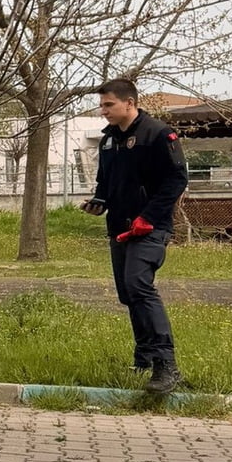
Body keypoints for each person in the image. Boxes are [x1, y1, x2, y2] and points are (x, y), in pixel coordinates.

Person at [81, 78, 189, 393]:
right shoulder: (109, 140)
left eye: (109, 105)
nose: (103, 111)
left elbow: (176, 180)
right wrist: (99, 202)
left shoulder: (157, 134)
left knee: (139, 286)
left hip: (150, 227)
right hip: (119, 227)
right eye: (102, 105)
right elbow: (107, 182)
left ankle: (166, 366)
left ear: (129, 102)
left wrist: (149, 217)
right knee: (128, 294)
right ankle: (143, 359)